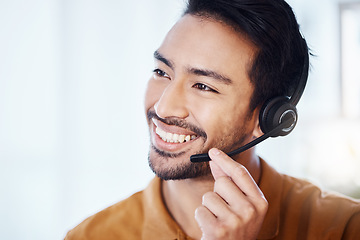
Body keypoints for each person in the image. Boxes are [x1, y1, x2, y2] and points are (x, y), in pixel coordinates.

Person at [65, 0, 360, 239]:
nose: (164, 107)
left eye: (204, 86)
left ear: (270, 118)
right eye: (161, 72)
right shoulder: (91, 235)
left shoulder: (345, 228)